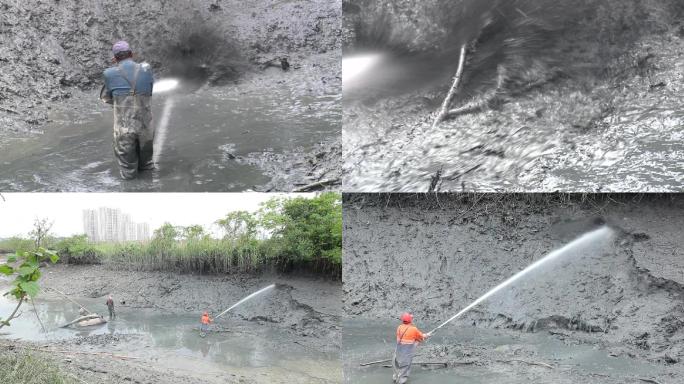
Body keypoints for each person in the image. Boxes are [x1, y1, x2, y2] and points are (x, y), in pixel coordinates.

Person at [101, 40, 155, 180]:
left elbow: (106, 98)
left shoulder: (108, 74)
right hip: (146, 128)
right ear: (131, 54)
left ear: (115, 59)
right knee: (148, 167)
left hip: (124, 130)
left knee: (128, 173)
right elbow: (149, 91)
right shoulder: (146, 69)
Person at [393, 312, 430, 384]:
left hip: (399, 348)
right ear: (410, 320)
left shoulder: (399, 327)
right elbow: (421, 336)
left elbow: (398, 338)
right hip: (408, 349)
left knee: (398, 362)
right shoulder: (414, 329)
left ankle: (395, 376)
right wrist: (427, 335)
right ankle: (401, 380)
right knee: (406, 363)